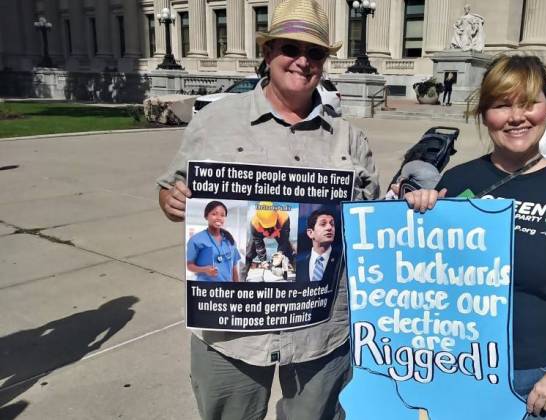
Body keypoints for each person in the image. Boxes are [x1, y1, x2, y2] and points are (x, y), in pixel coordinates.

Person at [156, 1, 379, 419]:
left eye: (315, 53)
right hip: (232, 332)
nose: (302, 60)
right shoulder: (216, 120)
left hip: (320, 329)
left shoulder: (348, 138)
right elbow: (172, 187)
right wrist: (171, 201)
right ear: (268, 52)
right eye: (290, 48)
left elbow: (370, 223)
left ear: (325, 63)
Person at [404, 55, 546, 419]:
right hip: (461, 368)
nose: (517, 117)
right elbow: (424, 279)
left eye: (529, 102)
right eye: (502, 105)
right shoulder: (458, 182)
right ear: (484, 114)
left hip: (534, 380)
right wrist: (417, 216)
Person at [186, 201, 242, 282]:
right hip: (206, 288)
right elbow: (189, 265)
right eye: (214, 214)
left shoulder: (230, 240)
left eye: (222, 215)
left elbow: (234, 268)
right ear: (206, 216)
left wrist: (237, 289)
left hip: (227, 289)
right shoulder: (196, 240)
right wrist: (205, 269)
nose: (219, 218)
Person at [240, 201, 295, 280]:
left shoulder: (284, 217)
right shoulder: (254, 223)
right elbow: (258, 243)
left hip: (278, 232)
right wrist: (263, 261)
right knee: (249, 253)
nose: (270, 228)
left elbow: (284, 240)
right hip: (260, 233)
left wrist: (279, 254)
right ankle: (241, 280)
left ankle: (298, 276)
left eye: (272, 225)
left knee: (289, 250)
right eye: (267, 227)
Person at [296, 208, 340, 282]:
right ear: (310, 233)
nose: (329, 228)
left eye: (332, 224)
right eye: (323, 224)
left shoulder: (342, 261)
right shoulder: (299, 266)